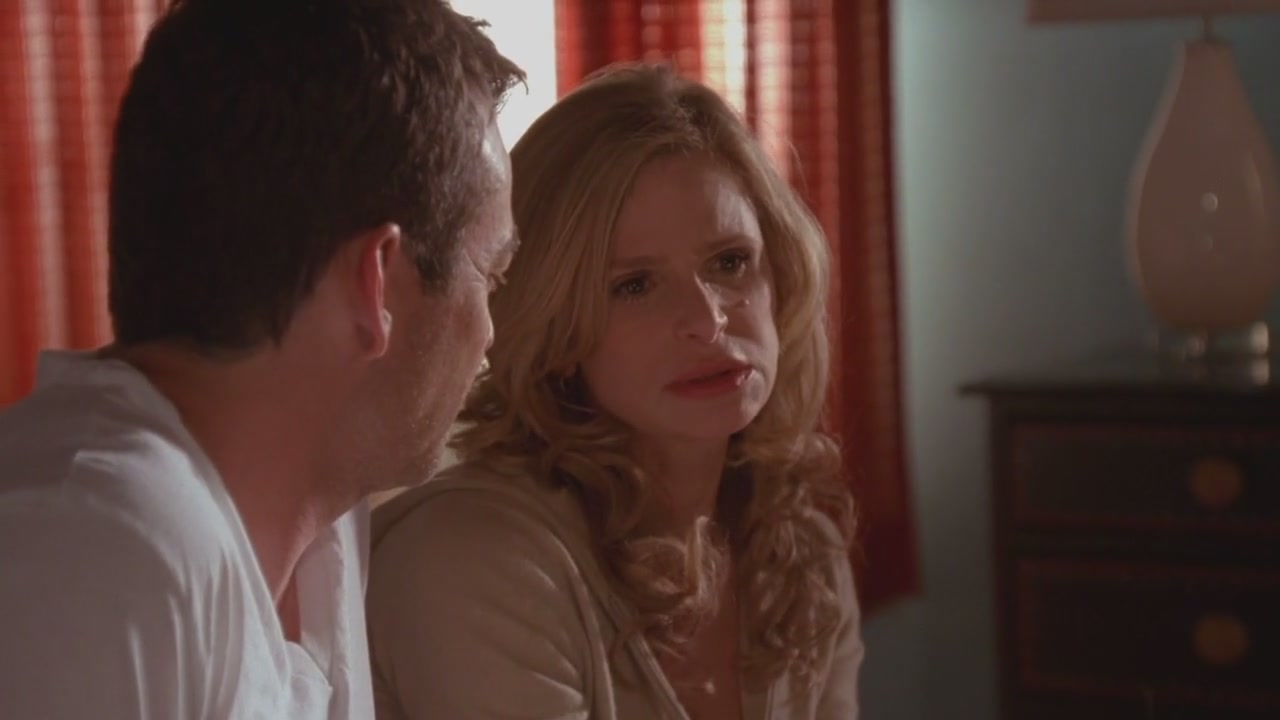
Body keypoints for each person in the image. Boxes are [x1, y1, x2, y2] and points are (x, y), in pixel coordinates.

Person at [0, 0, 522, 717]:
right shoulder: (95, 560)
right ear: (378, 283)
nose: (490, 333)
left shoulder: (326, 521)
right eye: (490, 275)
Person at [367, 63, 864, 720]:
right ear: (556, 324)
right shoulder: (470, 557)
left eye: (730, 262)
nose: (707, 320)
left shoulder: (800, 553)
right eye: (634, 285)